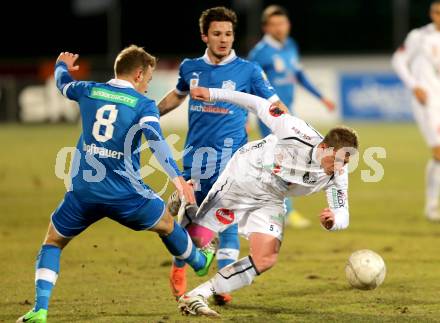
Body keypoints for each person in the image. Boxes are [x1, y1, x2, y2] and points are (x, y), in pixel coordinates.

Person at [17, 46, 217, 323]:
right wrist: (176, 178)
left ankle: (39, 309)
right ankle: (198, 261)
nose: (148, 84)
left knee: (52, 242)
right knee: (167, 224)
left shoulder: (88, 89)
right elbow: (155, 140)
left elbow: (62, 83)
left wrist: (61, 64)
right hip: (126, 194)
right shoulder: (142, 104)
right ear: (138, 74)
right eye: (148, 78)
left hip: (84, 192)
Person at [176, 86, 358, 317]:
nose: (340, 167)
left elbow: (343, 213)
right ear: (323, 147)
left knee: (266, 258)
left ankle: (198, 294)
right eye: (336, 159)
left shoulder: (338, 173)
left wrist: (334, 221)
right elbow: (257, 104)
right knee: (196, 243)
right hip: (245, 175)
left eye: (345, 162)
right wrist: (213, 94)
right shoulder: (296, 131)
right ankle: (186, 205)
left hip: (272, 197)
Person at [157, 6, 285, 305]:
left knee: (227, 219)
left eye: (228, 33)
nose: (224, 39)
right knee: (196, 227)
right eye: (217, 33)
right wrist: (150, 112)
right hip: (197, 158)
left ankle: (221, 283)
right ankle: (179, 266)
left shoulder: (248, 70)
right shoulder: (190, 68)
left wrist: (290, 130)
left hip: (234, 158)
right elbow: (177, 95)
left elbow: (274, 103)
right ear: (205, 36)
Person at [248, 5, 335, 228]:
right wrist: (246, 118)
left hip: (290, 114)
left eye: (283, 23)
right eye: (274, 24)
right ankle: (284, 211)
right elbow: (248, 85)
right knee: (283, 161)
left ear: (288, 25)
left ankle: (277, 209)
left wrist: (321, 97)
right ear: (266, 27)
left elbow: (299, 75)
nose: (280, 27)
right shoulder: (260, 53)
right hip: (270, 116)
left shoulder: (291, 46)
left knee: (289, 160)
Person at [392, 0, 440, 222]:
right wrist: (414, 86)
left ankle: (431, 206)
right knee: (438, 151)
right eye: (437, 12)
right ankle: (432, 208)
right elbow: (398, 60)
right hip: (427, 103)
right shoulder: (418, 36)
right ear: (432, 14)